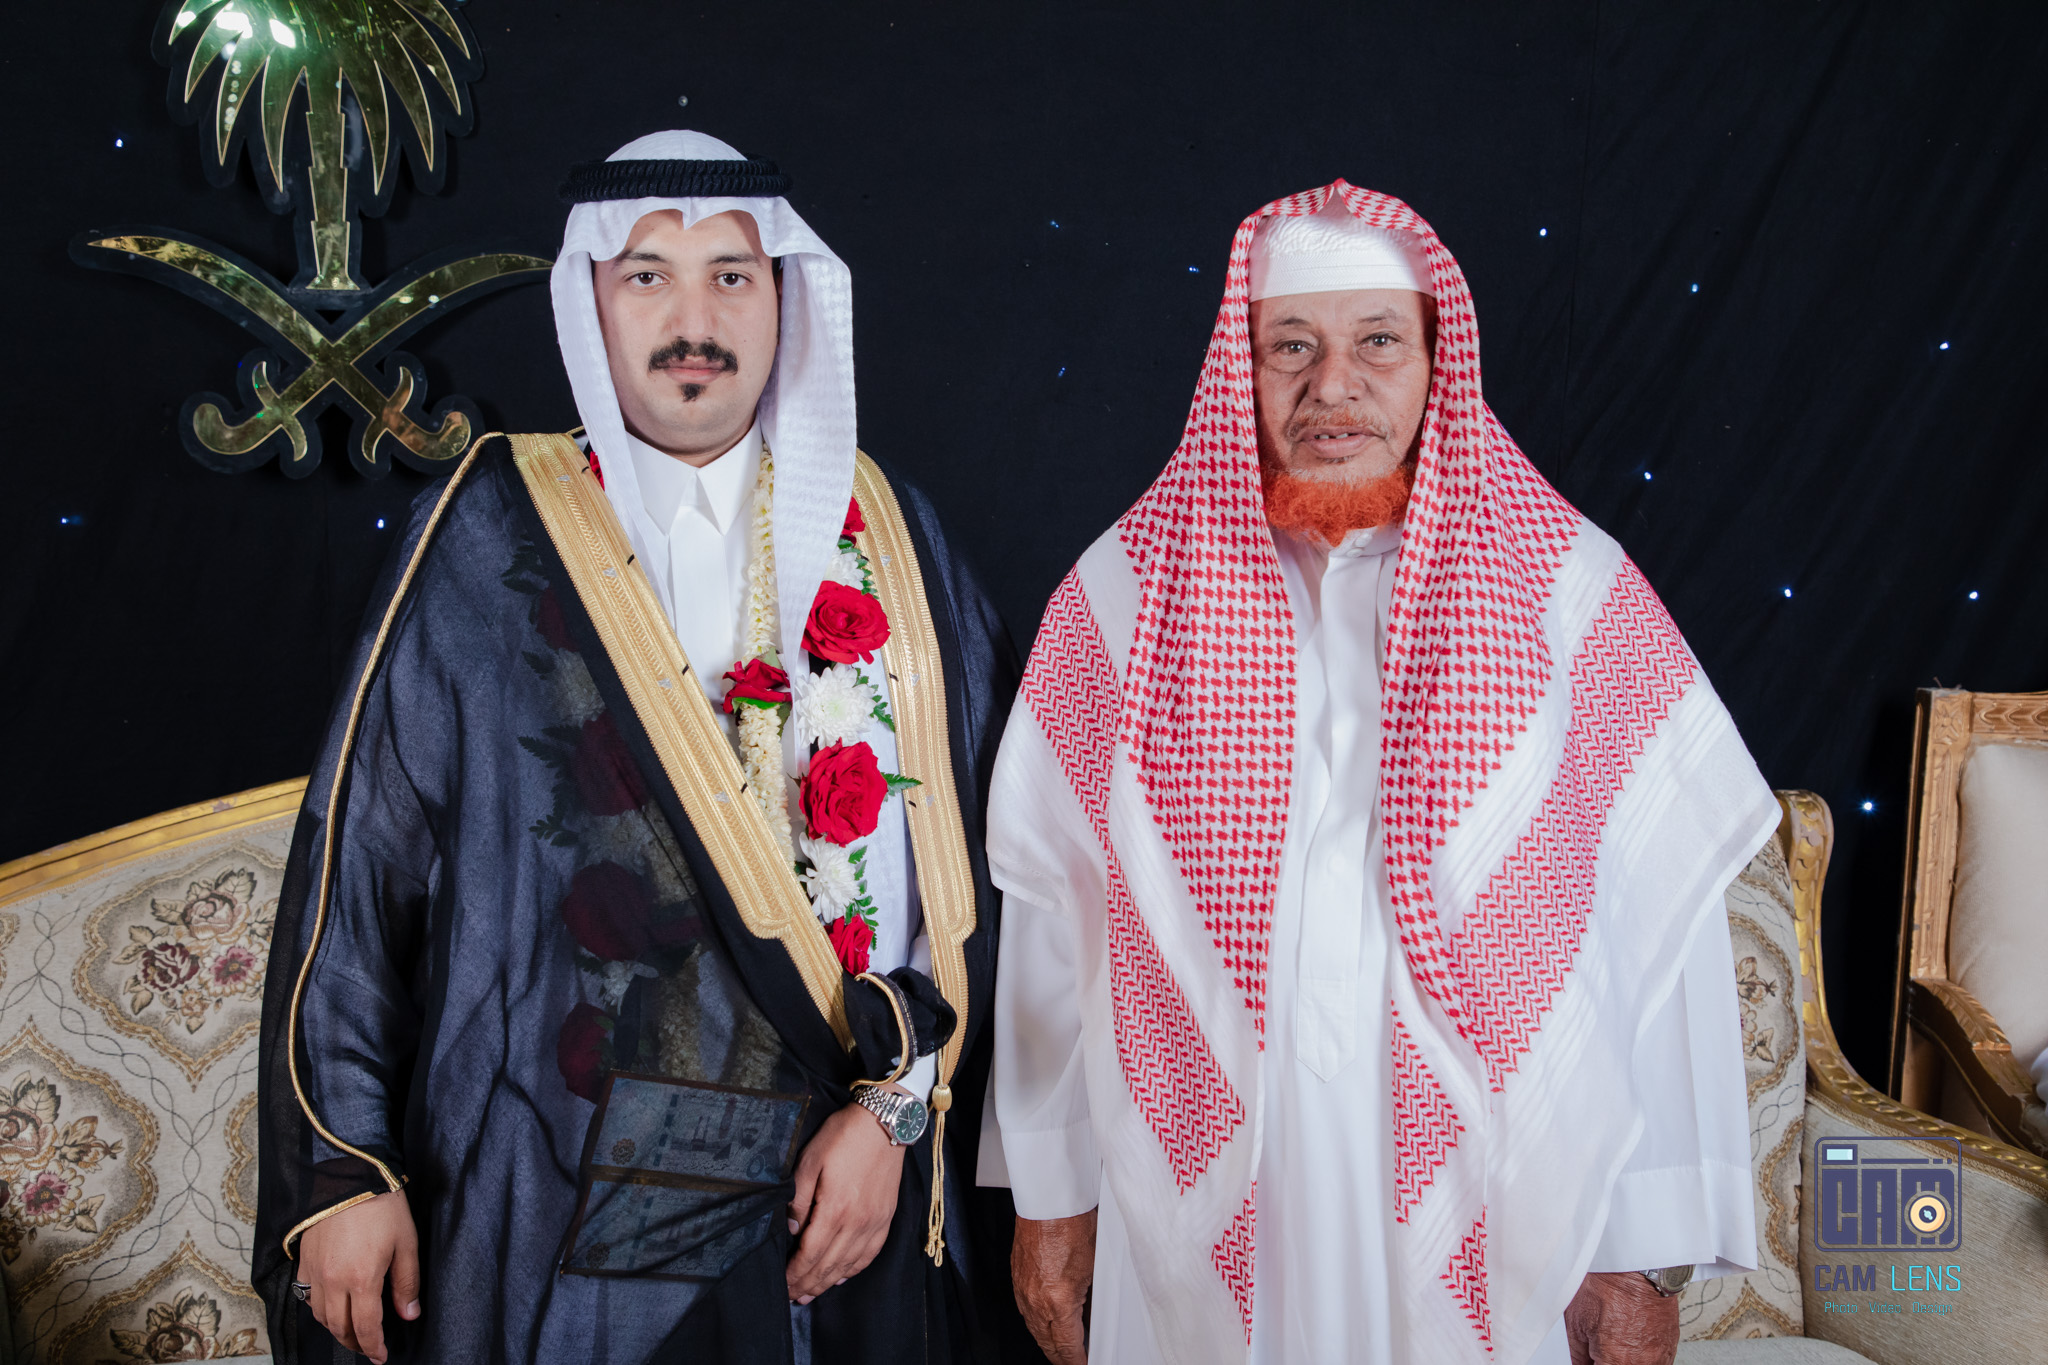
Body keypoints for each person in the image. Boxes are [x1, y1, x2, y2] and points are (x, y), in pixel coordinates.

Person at [254, 131, 1017, 1365]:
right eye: (647, 275)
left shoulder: (890, 534)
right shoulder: (485, 537)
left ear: (785, 300)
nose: (692, 322)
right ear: (591, 302)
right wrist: (344, 1170)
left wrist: (893, 1113)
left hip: (843, 1190)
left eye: (732, 276)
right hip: (556, 1193)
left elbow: (986, 872)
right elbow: (359, 877)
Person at [983, 184, 1774, 1364]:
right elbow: (1057, 920)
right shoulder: (1126, 599)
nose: (1331, 386)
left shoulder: (1567, 592)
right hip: (1204, 1192)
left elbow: (1657, 936)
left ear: (1434, 364)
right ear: (1241, 372)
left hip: (1486, 1198)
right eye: (1290, 347)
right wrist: (1049, 1196)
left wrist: (1636, 1249)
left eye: (1376, 343)